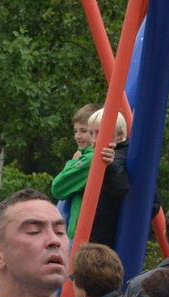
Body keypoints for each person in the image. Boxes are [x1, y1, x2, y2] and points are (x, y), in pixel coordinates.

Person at [51, 106, 131, 247]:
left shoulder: (93, 158)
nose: (78, 136)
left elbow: (58, 188)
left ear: (118, 135)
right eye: (75, 131)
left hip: (86, 234)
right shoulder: (97, 155)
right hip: (93, 234)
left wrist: (73, 163)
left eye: (84, 131)